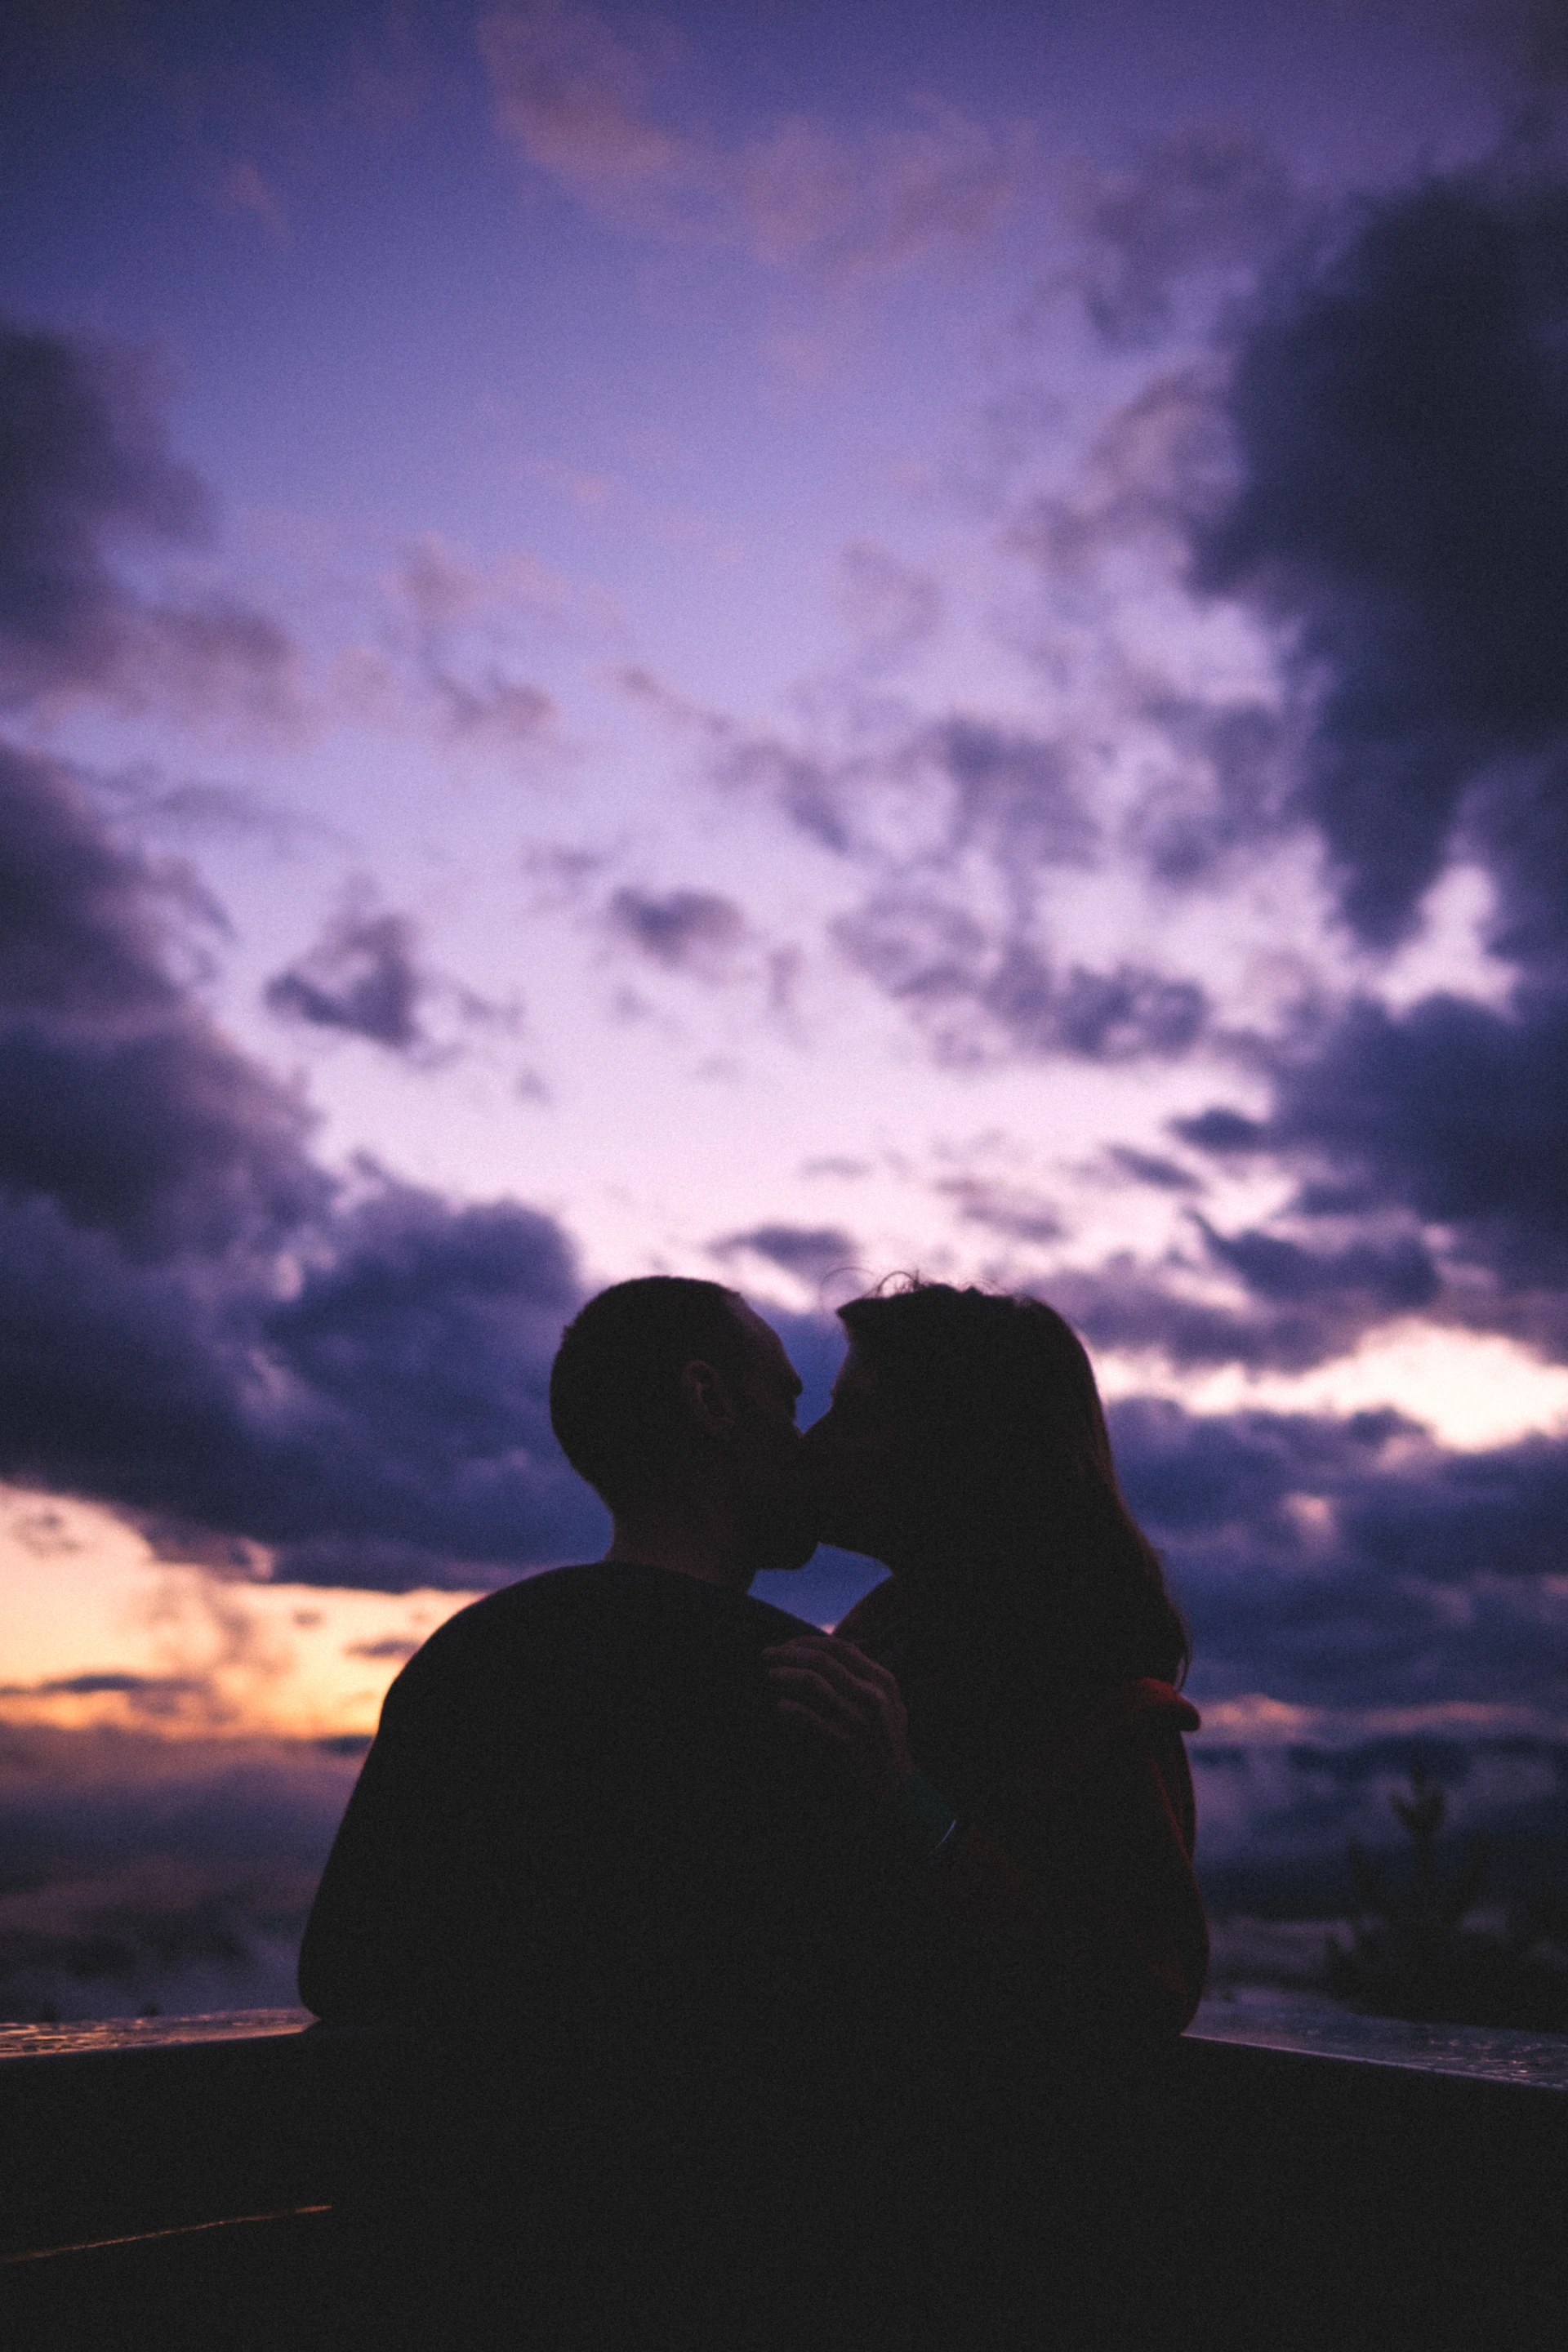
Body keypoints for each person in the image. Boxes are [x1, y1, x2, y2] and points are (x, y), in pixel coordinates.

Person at [297, 1275, 963, 2350]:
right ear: (710, 1401)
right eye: (789, 1404)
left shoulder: (471, 1661)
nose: (810, 1445)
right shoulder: (811, 1698)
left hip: (468, 2278)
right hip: (737, 2287)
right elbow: (901, 2021)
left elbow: (342, 1969)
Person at [760, 1281, 1208, 2345]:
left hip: (994, 2255)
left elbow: (1145, 1984)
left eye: (858, 1415)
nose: (819, 1444)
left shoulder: (1088, 1686)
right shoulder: (887, 1631)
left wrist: (908, 1801)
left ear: (958, 1452)